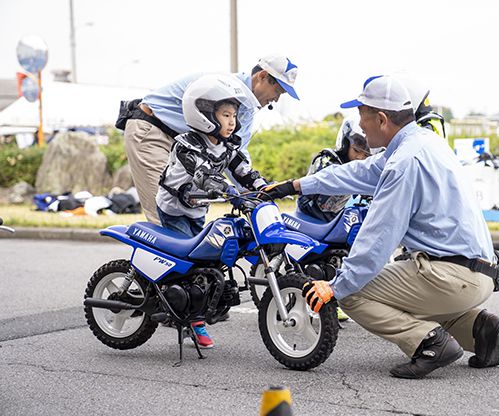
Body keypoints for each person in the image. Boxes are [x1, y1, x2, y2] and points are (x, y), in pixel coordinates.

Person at [261, 75, 499, 379]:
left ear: (381, 119)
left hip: (450, 277)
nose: (360, 125)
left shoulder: (403, 164)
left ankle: (428, 344)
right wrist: (294, 186)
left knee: (355, 292)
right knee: (399, 291)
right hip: (479, 273)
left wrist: (335, 286)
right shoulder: (422, 142)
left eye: (362, 115)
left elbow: (377, 239)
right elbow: (358, 173)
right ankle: (481, 331)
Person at [156, 74, 269, 348]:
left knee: (209, 261)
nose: (232, 121)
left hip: (198, 210)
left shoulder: (226, 147)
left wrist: (267, 188)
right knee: (191, 265)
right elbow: (203, 175)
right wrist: (231, 192)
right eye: (226, 114)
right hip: (174, 210)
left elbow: (244, 172)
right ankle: (189, 319)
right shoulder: (187, 144)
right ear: (205, 113)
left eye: (234, 115)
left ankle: (204, 305)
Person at [118, 54, 299, 225]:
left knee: (191, 214)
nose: (276, 99)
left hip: (183, 143)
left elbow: (234, 155)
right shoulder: (221, 87)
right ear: (262, 76)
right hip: (154, 130)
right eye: (278, 91)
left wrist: (257, 189)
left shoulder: (245, 106)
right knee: (168, 214)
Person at [297, 117, 371, 222]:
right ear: (345, 144)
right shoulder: (327, 161)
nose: (360, 157)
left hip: (332, 219)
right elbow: (337, 179)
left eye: (366, 155)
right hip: (309, 215)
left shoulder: (359, 170)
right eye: (356, 150)